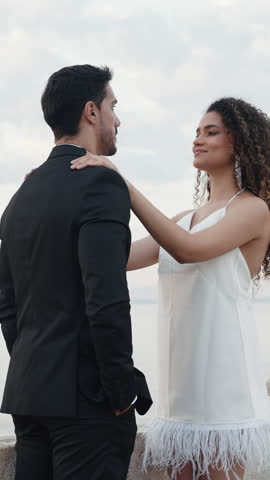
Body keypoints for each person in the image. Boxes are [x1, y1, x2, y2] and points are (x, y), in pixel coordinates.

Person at [70, 97, 270, 480]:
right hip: (179, 390)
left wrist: (121, 184)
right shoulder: (186, 218)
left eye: (211, 132)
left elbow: (187, 249)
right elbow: (120, 256)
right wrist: (60, 204)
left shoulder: (252, 210)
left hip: (223, 391)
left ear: (239, 142)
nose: (198, 139)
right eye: (196, 132)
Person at [0, 64, 152, 480]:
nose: (117, 119)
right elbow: (105, 298)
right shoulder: (100, 184)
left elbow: (8, 305)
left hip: (30, 395)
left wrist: (39, 365)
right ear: (90, 111)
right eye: (112, 106)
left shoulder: (20, 196)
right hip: (88, 404)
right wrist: (120, 388)